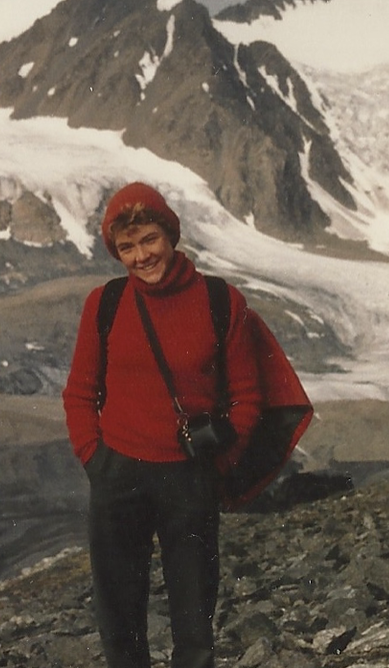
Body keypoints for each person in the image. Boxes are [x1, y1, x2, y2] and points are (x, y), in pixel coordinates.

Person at [63, 181, 309, 668]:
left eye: (149, 239)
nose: (140, 256)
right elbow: (79, 393)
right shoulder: (104, 304)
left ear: (170, 235)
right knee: (119, 621)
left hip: (189, 478)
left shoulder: (221, 301)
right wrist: (96, 458)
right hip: (118, 474)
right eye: (126, 247)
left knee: (194, 622)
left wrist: (218, 465)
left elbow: (248, 397)